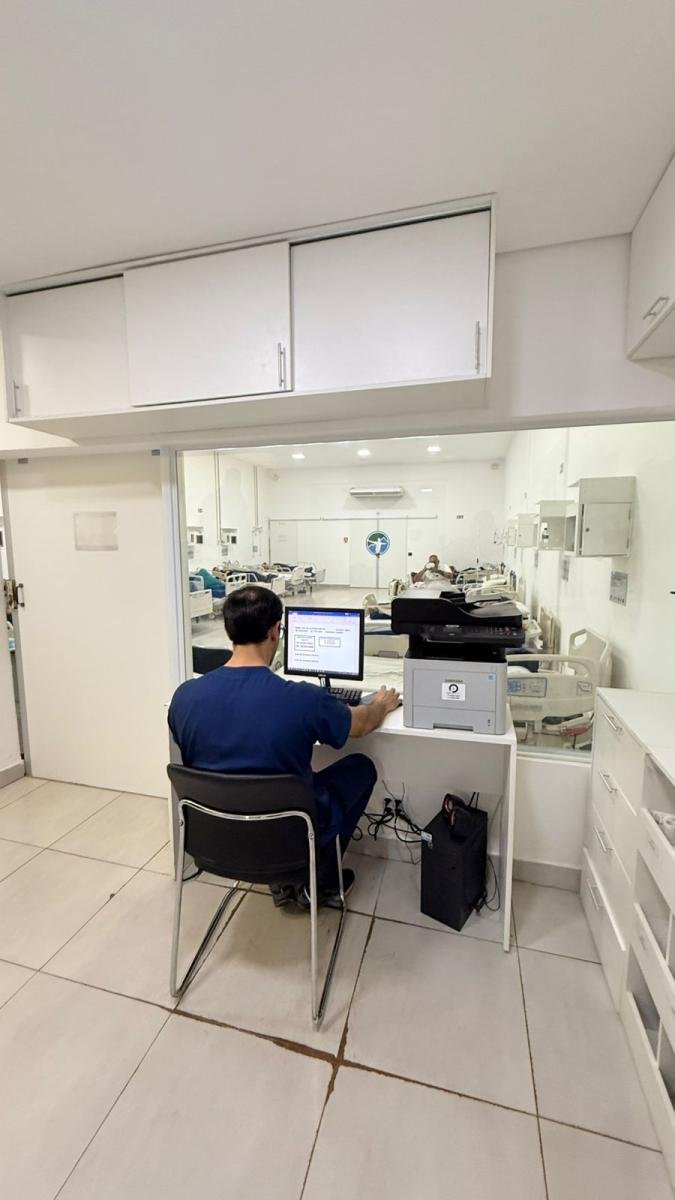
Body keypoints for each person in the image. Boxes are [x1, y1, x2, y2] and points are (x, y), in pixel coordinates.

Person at [168, 585, 400, 908]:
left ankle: (285, 879)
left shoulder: (183, 698)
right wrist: (382, 704)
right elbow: (361, 724)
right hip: (289, 844)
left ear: (228, 630)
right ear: (276, 631)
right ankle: (319, 881)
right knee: (361, 768)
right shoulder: (303, 699)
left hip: (213, 842)